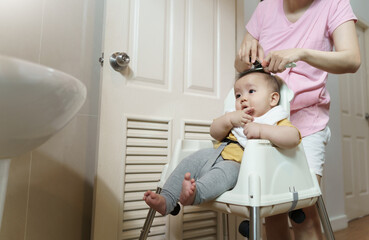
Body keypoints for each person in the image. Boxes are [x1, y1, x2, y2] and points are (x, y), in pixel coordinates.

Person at [235, 0, 361, 239]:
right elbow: (239, 65)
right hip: (268, 122)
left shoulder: (335, 4)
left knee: (302, 206)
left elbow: (352, 60)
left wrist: (302, 53)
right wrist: (246, 54)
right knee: (273, 208)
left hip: (308, 122)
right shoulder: (265, 9)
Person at [143, 70, 301, 217]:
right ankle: (167, 200)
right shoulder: (235, 117)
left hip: (240, 165)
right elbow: (214, 132)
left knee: (222, 174)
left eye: (251, 91)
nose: (243, 98)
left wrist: (261, 131)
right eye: (238, 95)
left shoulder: (274, 119)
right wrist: (229, 120)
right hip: (215, 153)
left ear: (273, 99)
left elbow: (293, 138)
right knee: (188, 162)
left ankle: (194, 194)